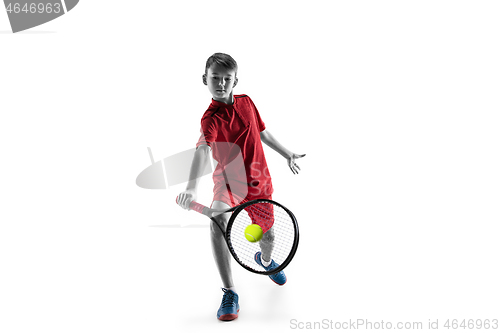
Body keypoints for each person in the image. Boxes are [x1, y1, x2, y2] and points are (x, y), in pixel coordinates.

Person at [177, 53, 305, 321]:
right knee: (216, 221)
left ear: (236, 80)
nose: (221, 83)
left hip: (259, 181)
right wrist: (191, 188)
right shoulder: (210, 119)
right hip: (227, 183)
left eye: (227, 79)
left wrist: (287, 153)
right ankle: (230, 292)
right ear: (205, 80)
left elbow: (261, 131)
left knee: (267, 239)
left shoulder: (247, 103)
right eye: (215, 78)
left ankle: (266, 262)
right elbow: (202, 151)